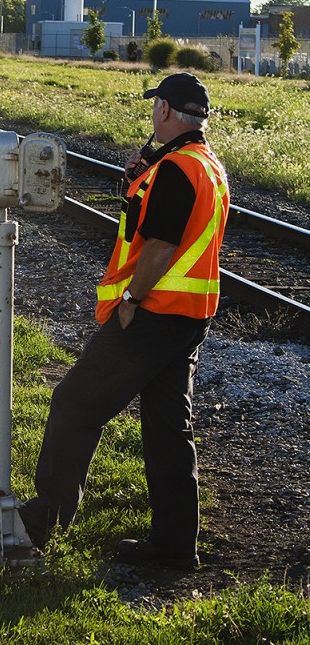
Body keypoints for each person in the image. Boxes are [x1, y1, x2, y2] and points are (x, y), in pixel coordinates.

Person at [19, 72, 230, 570]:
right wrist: (142, 174)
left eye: (155, 106)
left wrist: (132, 299)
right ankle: (175, 546)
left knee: (74, 404)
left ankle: (43, 520)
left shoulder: (177, 169)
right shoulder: (205, 164)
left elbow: (160, 245)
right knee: (167, 429)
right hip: (189, 318)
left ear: (163, 109)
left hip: (152, 314)